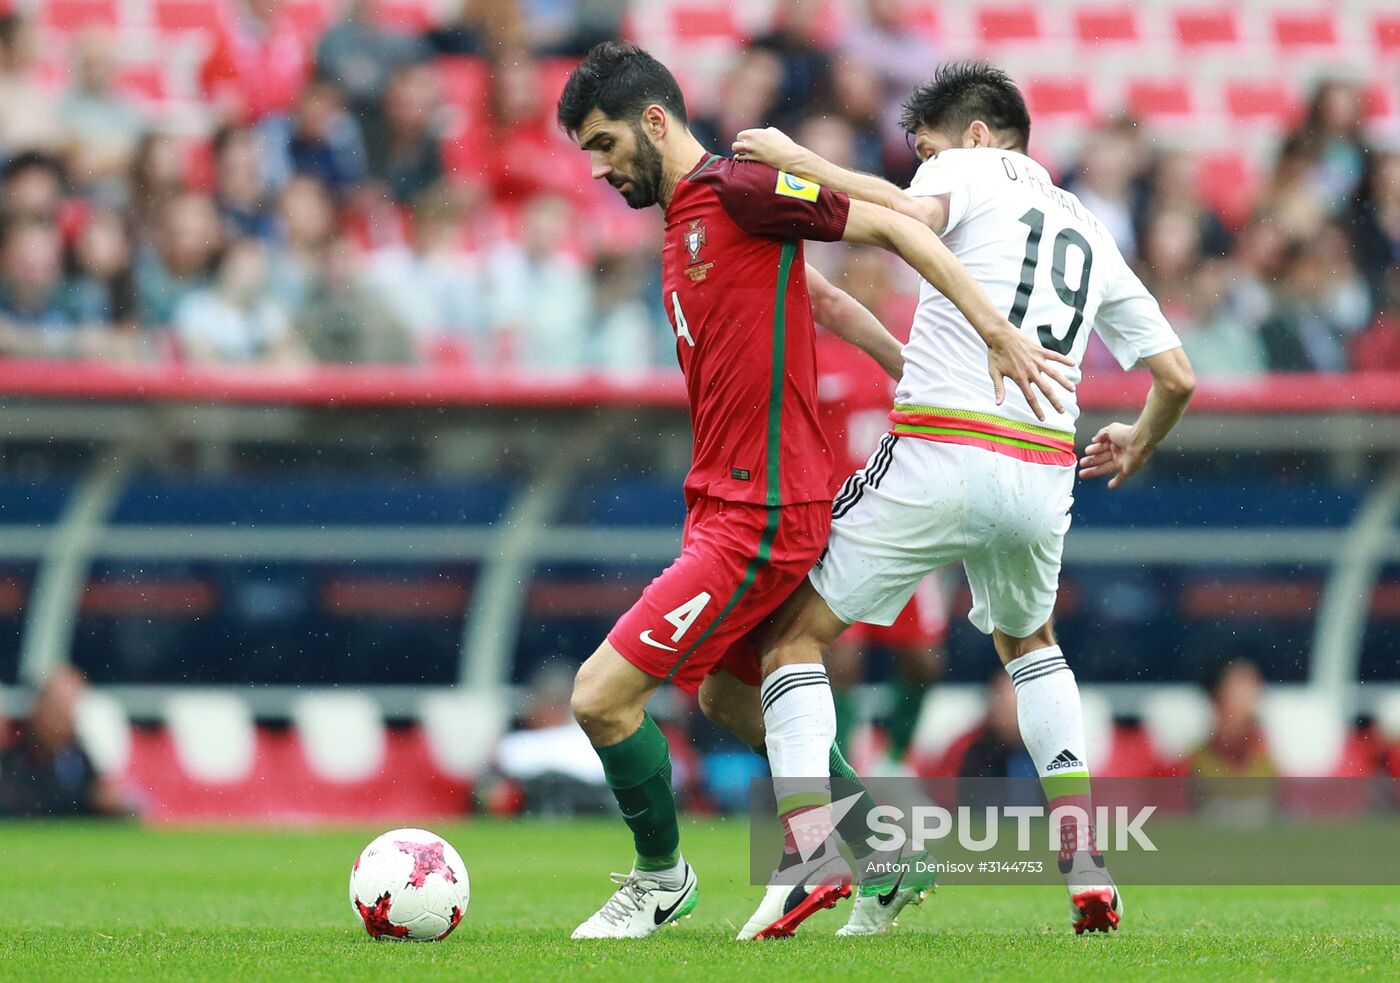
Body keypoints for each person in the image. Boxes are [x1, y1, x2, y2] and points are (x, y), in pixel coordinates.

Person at [554, 41, 1069, 941]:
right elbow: (821, 302)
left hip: (761, 512)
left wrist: (990, 329)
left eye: (602, 145)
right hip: (721, 501)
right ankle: (886, 848)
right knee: (722, 694)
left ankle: (660, 877)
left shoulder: (740, 190)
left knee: (600, 696)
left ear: (653, 121)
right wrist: (906, 365)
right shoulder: (685, 223)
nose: (598, 169)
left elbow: (898, 229)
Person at [732, 61, 1196, 935]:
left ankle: (810, 852)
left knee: (789, 637)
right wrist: (1139, 436)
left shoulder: (967, 169)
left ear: (977, 133)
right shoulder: (1090, 227)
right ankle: (1087, 862)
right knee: (1031, 640)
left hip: (943, 446)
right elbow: (1176, 376)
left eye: (925, 149)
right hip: (1041, 465)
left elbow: (908, 218)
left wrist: (803, 161)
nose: (920, 165)